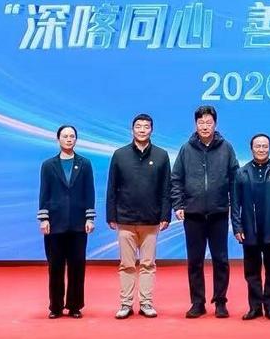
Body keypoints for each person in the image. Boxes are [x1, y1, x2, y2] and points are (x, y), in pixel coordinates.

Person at [171, 104, 239, 318]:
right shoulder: (186, 149)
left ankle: (220, 301)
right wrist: (178, 205)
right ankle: (197, 302)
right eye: (201, 122)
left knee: (221, 260)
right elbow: (176, 179)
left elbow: (235, 179)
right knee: (195, 261)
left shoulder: (226, 148)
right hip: (193, 214)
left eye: (208, 122)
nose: (204, 126)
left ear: (215, 124)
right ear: (195, 124)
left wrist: (233, 205)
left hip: (219, 213)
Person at [104, 112, 171, 319]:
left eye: (146, 126)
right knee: (126, 265)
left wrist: (165, 215)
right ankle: (125, 304)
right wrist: (111, 215)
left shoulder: (161, 155)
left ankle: (146, 303)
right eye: (138, 126)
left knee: (148, 265)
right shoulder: (120, 154)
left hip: (151, 220)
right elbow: (112, 187)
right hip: (125, 219)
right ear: (132, 130)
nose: (142, 130)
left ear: (152, 130)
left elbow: (166, 188)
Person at [37, 124, 95, 319]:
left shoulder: (85, 164)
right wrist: (44, 219)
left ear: (76, 139)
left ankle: (75, 306)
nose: (69, 139)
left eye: (72, 136)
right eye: (65, 136)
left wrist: (89, 218)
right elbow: (44, 193)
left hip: (78, 224)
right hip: (55, 224)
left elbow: (89, 192)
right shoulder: (48, 165)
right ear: (58, 139)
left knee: (77, 266)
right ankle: (55, 306)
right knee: (55, 266)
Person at [232, 133, 270, 320]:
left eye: (265, 146)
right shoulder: (241, 173)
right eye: (257, 146)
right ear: (251, 148)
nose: (261, 149)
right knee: (251, 271)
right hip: (249, 229)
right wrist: (237, 227)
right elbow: (235, 203)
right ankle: (255, 307)